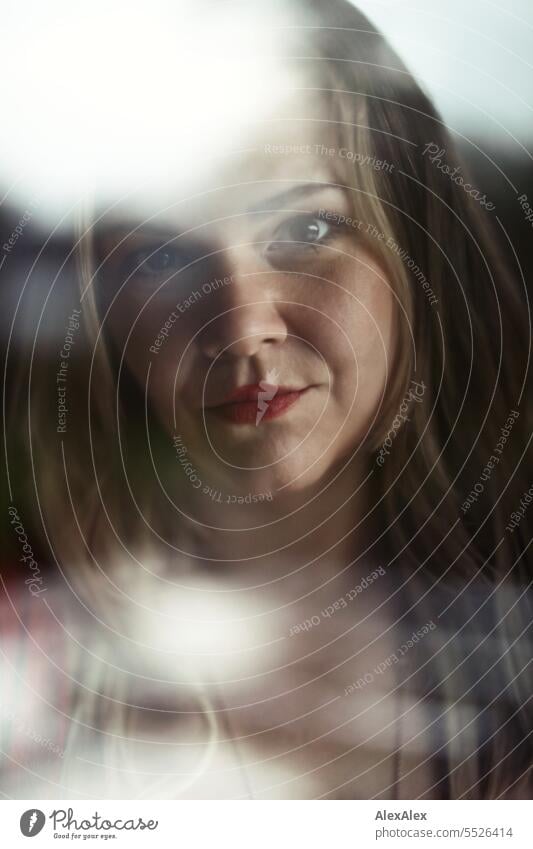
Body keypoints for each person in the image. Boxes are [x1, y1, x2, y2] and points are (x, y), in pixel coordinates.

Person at [4, 0, 532, 799]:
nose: (242, 323)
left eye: (307, 231)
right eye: (162, 254)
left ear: (413, 248)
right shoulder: (34, 660)